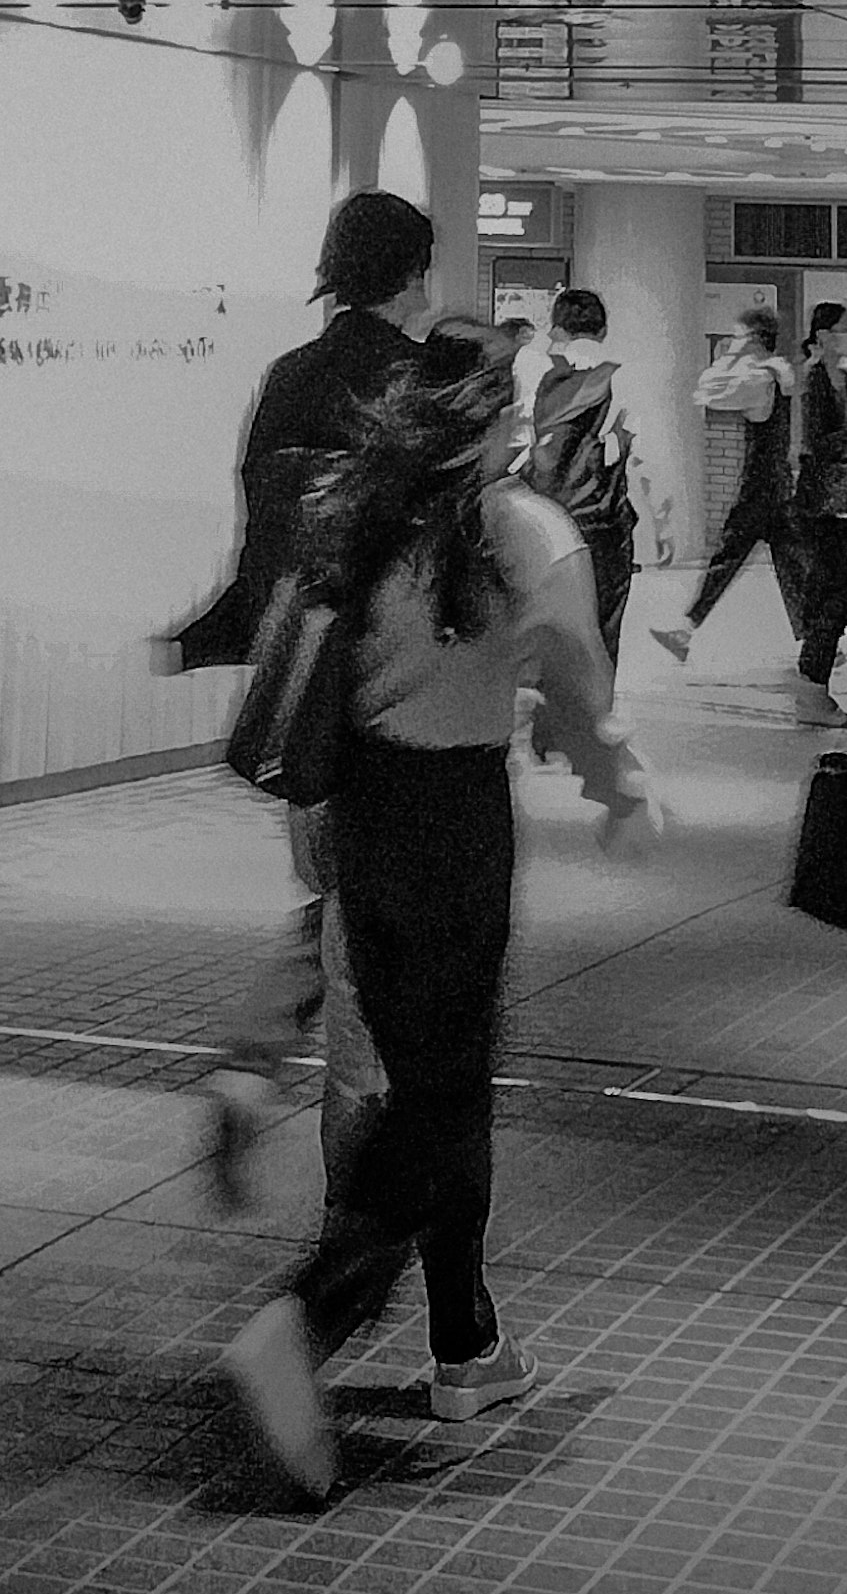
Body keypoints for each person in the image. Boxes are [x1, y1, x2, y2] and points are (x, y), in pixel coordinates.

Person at [216, 320, 658, 1498]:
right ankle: (304, 1324)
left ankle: (465, 1336)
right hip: (457, 822)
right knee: (440, 1094)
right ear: (497, 421)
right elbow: (569, 655)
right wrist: (619, 782)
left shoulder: (355, 515)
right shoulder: (516, 525)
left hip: (365, 815)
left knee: (419, 1079)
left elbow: (287, 649)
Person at [164, 188, 436, 1206]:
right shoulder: (415, 384)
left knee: (331, 905)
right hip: (395, 703)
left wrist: (219, 646)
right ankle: (347, 1215)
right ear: (411, 273)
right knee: (370, 956)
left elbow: (256, 555)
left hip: (300, 708)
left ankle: (247, 1067)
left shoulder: (287, 378)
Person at [649, 310, 812, 687]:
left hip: (760, 489)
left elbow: (704, 392)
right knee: (792, 566)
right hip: (776, 484)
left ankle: (685, 630)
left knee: (731, 557)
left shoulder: (758, 377)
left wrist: (730, 356)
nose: (731, 342)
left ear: (754, 339)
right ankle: (822, 639)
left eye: (737, 336)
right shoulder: (775, 371)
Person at [521, 287, 641, 662]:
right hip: (601, 520)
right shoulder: (621, 376)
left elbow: (517, 443)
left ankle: (538, 699)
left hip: (541, 516)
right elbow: (637, 456)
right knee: (603, 621)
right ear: (603, 330)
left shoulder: (533, 370)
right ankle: (593, 708)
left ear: (557, 328)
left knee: (542, 618)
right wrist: (663, 524)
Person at [789, 304, 847, 717]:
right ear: (821, 335)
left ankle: (821, 668)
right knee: (833, 592)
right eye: (843, 329)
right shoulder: (812, 380)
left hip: (843, 497)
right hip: (820, 500)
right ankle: (813, 678)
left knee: (839, 589)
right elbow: (813, 442)